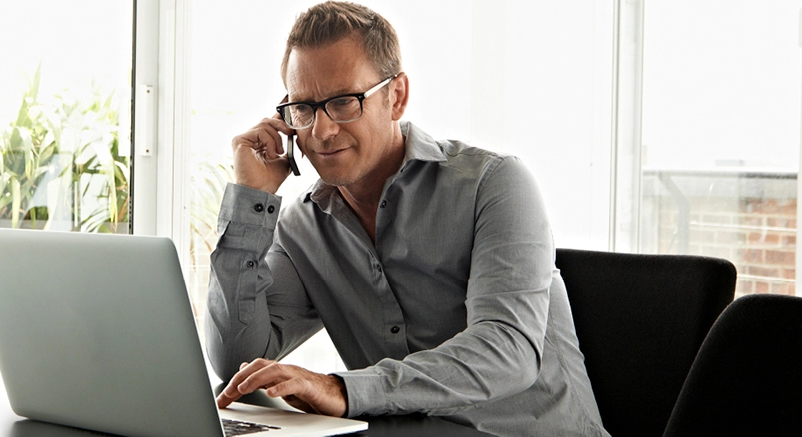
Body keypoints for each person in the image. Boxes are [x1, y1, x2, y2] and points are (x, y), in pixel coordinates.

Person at [206, 2, 608, 435]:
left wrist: (344, 390)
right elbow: (235, 364)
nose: (320, 131)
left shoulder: (495, 184)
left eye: (343, 102)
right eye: (304, 108)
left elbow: (507, 350)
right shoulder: (302, 229)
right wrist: (251, 200)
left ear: (395, 96)